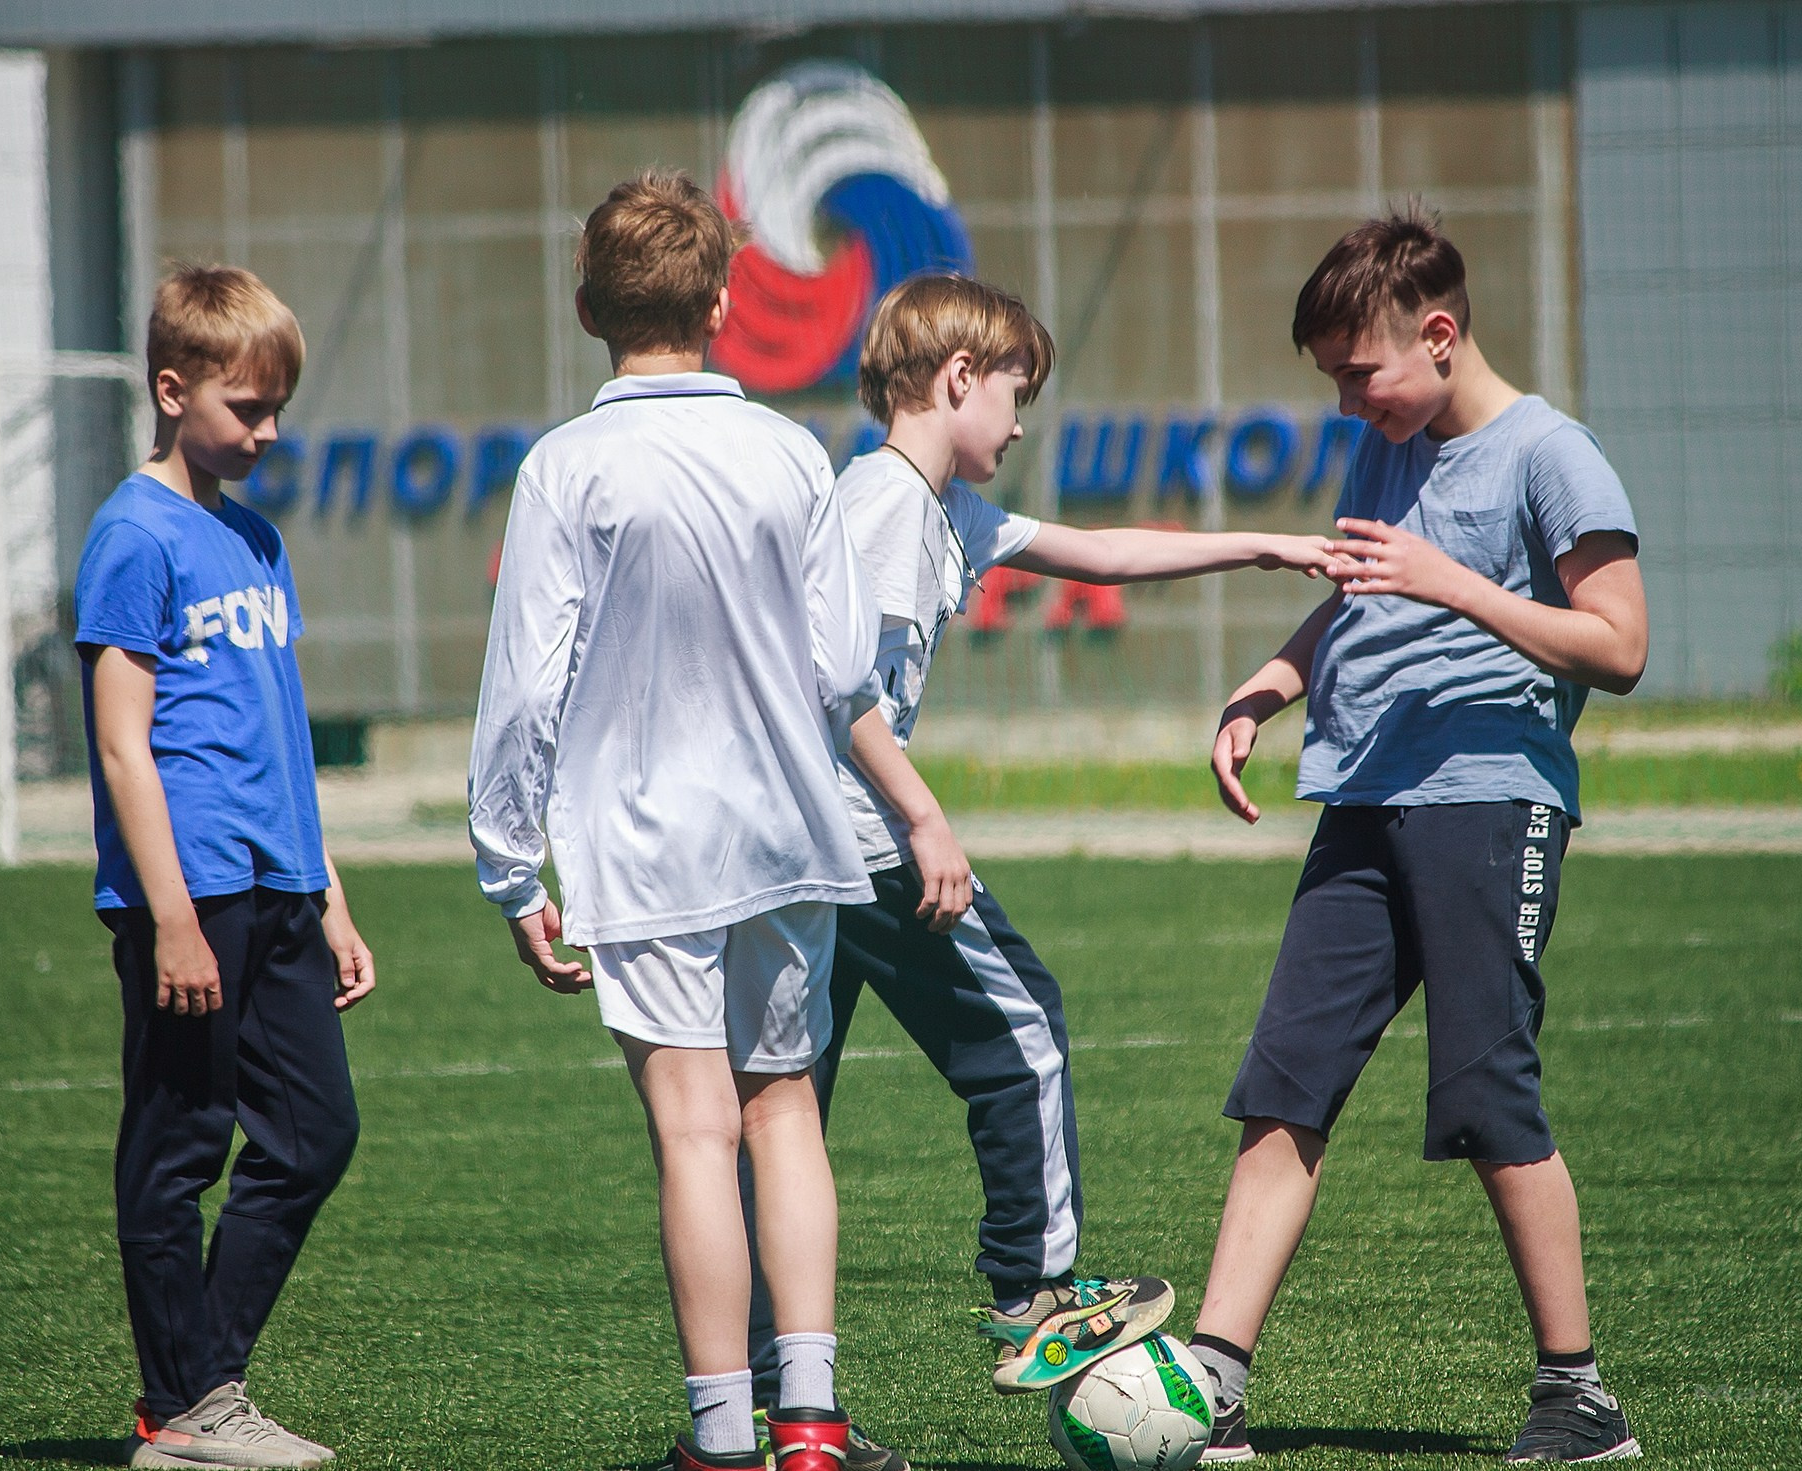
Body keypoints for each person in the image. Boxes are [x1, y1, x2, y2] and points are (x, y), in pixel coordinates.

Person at [740, 272, 1335, 1423]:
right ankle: (1034, 1291)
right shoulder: (880, 508)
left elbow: (1098, 552)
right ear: (957, 379)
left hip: (800, 853)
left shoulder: (936, 508)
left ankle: (768, 1400)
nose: (1018, 425)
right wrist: (923, 816)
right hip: (853, 842)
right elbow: (832, 687)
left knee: (781, 1119)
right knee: (1021, 1031)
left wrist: (1258, 546)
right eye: (1014, 396)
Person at [1185, 209, 1649, 1465]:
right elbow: (1346, 609)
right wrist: (1262, 694)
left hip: (1488, 800)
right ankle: (1214, 1381)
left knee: (1487, 1093)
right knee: (1284, 1084)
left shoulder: (1550, 455)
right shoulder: (1388, 447)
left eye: (1359, 373)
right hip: (1359, 799)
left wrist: (1460, 585)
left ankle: (1577, 1394)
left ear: (1436, 336)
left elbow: (1619, 646)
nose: (1347, 402)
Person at [467, 170, 880, 1471]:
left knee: (695, 1127)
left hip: (643, 837)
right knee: (786, 1114)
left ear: (587, 305)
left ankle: (720, 1432)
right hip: (786, 827)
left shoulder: (566, 467)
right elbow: (843, 659)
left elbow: (529, 682)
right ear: (721, 300)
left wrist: (506, 860)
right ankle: (810, 1420)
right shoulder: (789, 451)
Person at [76, 264, 376, 1470]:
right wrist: (172, 918)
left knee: (314, 1132)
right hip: (188, 895)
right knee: (178, 1144)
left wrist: (331, 891)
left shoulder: (252, 538)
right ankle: (187, 1404)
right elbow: (118, 740)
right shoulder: (132, 534)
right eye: (244, 409)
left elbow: (280, 731)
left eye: (274, 412)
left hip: (280, 887)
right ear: (170, 388)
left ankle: (203, 1388)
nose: (263, 433)